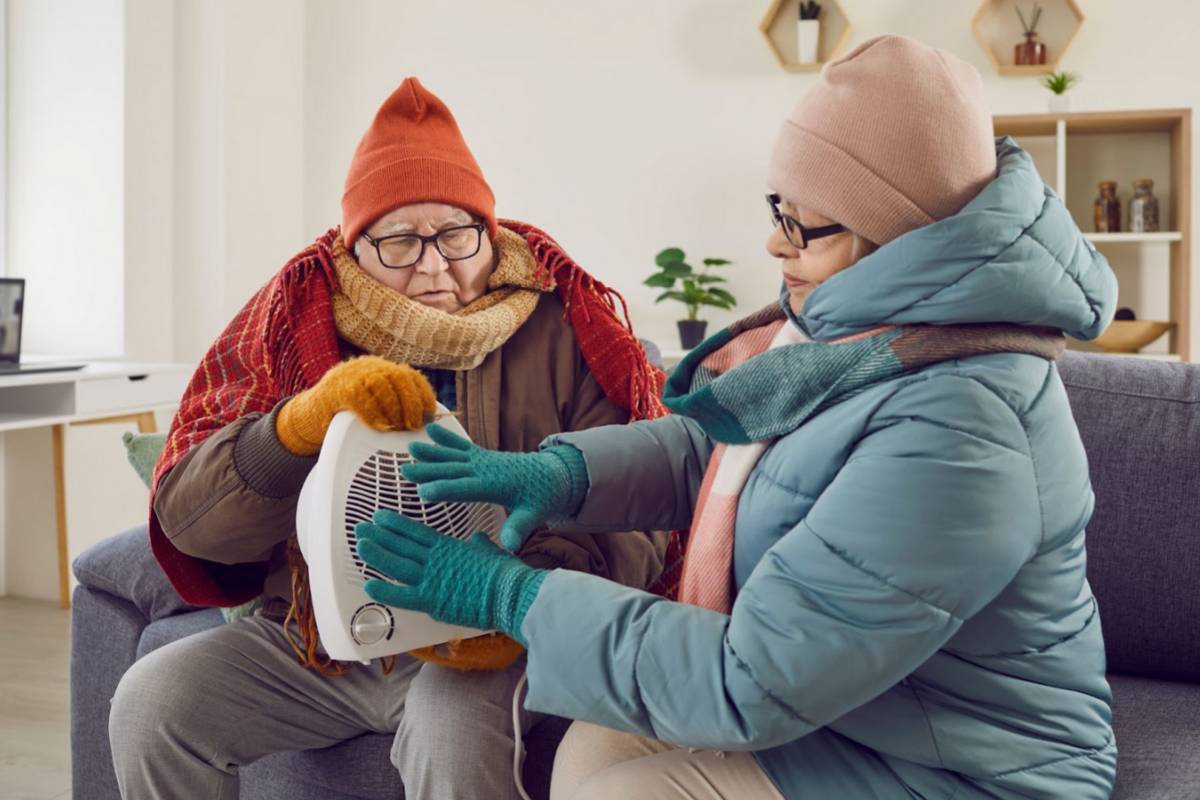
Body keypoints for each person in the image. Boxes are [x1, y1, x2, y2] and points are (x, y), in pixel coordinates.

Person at [356, 36, 1119, 799]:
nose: (773, 241)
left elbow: (750, 678)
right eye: (778, 210)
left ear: (894, 236)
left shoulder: (961, 428)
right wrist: (562, 474)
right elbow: (720, 452)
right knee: (593, 745)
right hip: (856, 716)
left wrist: (511, 597)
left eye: (805, 226)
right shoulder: (864, 336)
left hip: (964, 770)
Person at [108, 77, 669, 800]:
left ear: (489, 232)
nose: (435, 265)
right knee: (153, 701)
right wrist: (294, 429)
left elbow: (637, 502)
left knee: (452, 732)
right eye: (401, 240)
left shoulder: (567, 326)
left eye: (457, 235)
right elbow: (194, 525)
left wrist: (520, 599)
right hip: (312, 640)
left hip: (480, 637)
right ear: (355, 248)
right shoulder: (295, 319)